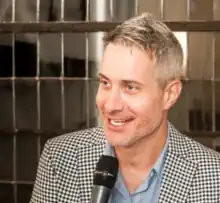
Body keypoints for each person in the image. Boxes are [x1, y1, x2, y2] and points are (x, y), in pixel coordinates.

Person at [30, 13, 220, 203]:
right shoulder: (60, 159)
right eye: (105, 82)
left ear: (169, 95)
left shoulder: (213, 176)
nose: (110, 105)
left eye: (130, 87)